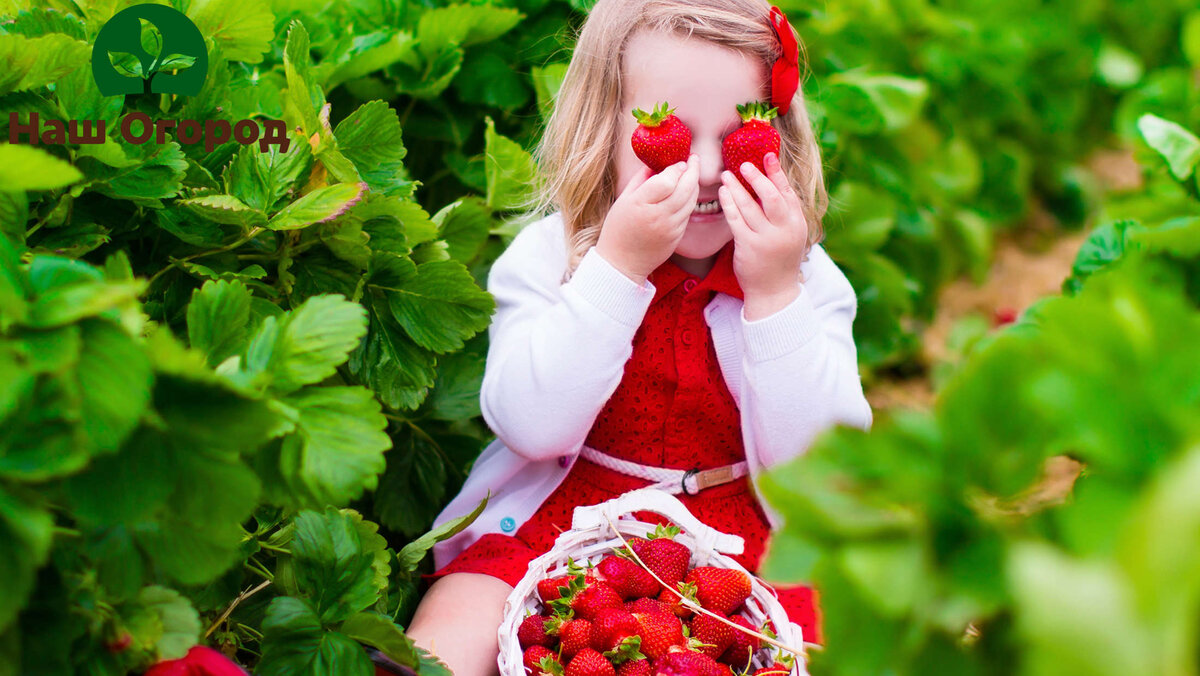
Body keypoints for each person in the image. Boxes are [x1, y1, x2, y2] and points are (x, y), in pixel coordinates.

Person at [405, 1, 873, 674]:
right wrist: (617, 268)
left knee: (823, 643)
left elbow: (824, 466)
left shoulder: (802, 278)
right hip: (563, 519)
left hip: (736, 545)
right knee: (461, 617)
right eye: (671, 134)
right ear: (602, 130)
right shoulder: (553, 258)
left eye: (743, 130)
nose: (709, 168)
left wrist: (773, 294)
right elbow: (531, 426)